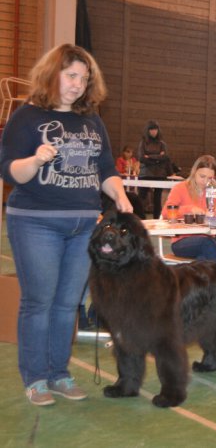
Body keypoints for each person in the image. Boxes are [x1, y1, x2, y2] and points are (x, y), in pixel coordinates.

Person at [0, 44, 133, 406]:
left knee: (67, 304)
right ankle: (35, 378)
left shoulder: (92, 120)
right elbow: (10, 170)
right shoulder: (26, 117)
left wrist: (120, 195)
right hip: (36, 223)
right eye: (71, 75)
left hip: (83, 226)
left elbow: (105, 169)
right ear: (52, 73)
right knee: (39, 302)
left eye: (84, 79)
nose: (77, 85)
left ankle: (59, 372)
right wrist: (35, 159)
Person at [160, 155, 216, 261]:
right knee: (207, 245)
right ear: (194, 172)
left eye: (210, 178)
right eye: (202, 176)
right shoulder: (180, 188)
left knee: (204, 257)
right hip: (181, 241)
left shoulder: (214, 191)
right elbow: (165, 213)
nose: (205, 182)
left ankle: (204, 277)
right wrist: (189, 209)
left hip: (207, 239)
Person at [137, 120, 171, 216]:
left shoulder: (162, 144)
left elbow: (165, 157)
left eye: (155, 130)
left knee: (157, 199)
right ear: (148, 131)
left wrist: (150, 156)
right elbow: (141, 158)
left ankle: (157, 218)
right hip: (145, 174)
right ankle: (139, 217)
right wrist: (157, 158)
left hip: (159, 174)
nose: (154, 132)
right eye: (151, 130)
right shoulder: (143, 143)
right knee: (141, 197)